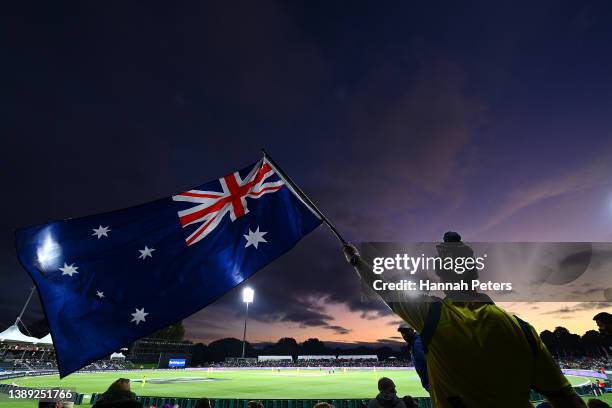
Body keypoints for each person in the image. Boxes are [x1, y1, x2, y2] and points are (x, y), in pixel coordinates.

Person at [344, 231, 586, 408]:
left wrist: (355, 260)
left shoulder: (432, 315)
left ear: (439, 274)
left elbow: (383, 288)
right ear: (476, 272)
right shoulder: (522, 329)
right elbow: (567, 401)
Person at [397, 322, 428, 392]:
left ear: (411, 330)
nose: (403, 335)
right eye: (402, 333)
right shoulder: (413, 344)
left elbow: (427, 362)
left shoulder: (417, 343)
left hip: (431, 382)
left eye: (405, 331)